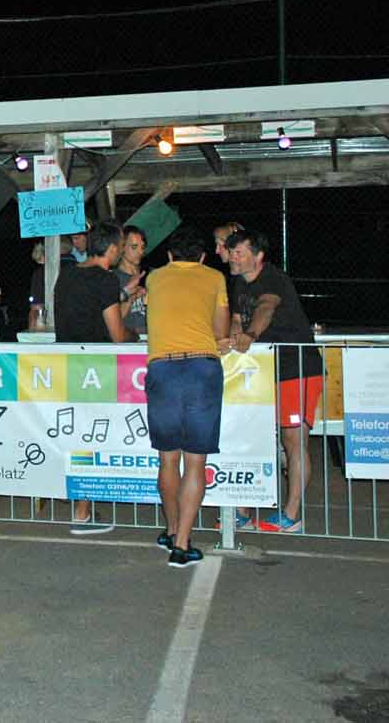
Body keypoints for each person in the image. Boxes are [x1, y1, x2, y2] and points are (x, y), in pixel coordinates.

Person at [145, 226, 231, 568]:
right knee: (196, 461)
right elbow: (221, 330)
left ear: (169, 256)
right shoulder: (214, 277)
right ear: (203, 257)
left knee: (168, 459)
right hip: (201, 368)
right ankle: (182, 544)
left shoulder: (154, 278)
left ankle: (170, 530)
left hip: (162, 368)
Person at [226, 228, 320, 534]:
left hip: (297, 368)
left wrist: (251, 334)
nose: (232, 258)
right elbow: (237, 319)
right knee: (251, 436)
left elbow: (266, 307)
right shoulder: (238, 282)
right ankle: (242, 511)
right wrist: (234, 338)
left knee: (294, 440)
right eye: (231, 252)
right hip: (263, 370)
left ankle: (291, 515)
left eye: (239, 253)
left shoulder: (273, 279)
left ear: (258, 256)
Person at [53, 221, 130, 531]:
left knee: (75, 434)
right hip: (95, 369)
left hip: (67, 364)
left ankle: (78, 501)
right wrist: (134, 335)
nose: (122, 250)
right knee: (91, 437)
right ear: (111, 248)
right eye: (121, 245)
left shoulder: (67, 275)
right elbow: (117, 333)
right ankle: (82, 511)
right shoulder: (105, 279)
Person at [116, 225, 149, 339]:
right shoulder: (113, 279)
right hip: (128, 342)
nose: (140, 251)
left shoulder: (150, 276)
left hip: (151, 339)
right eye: (134, 247)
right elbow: (112, 320)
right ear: (122, 247)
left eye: (142, 247)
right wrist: (130, 298)